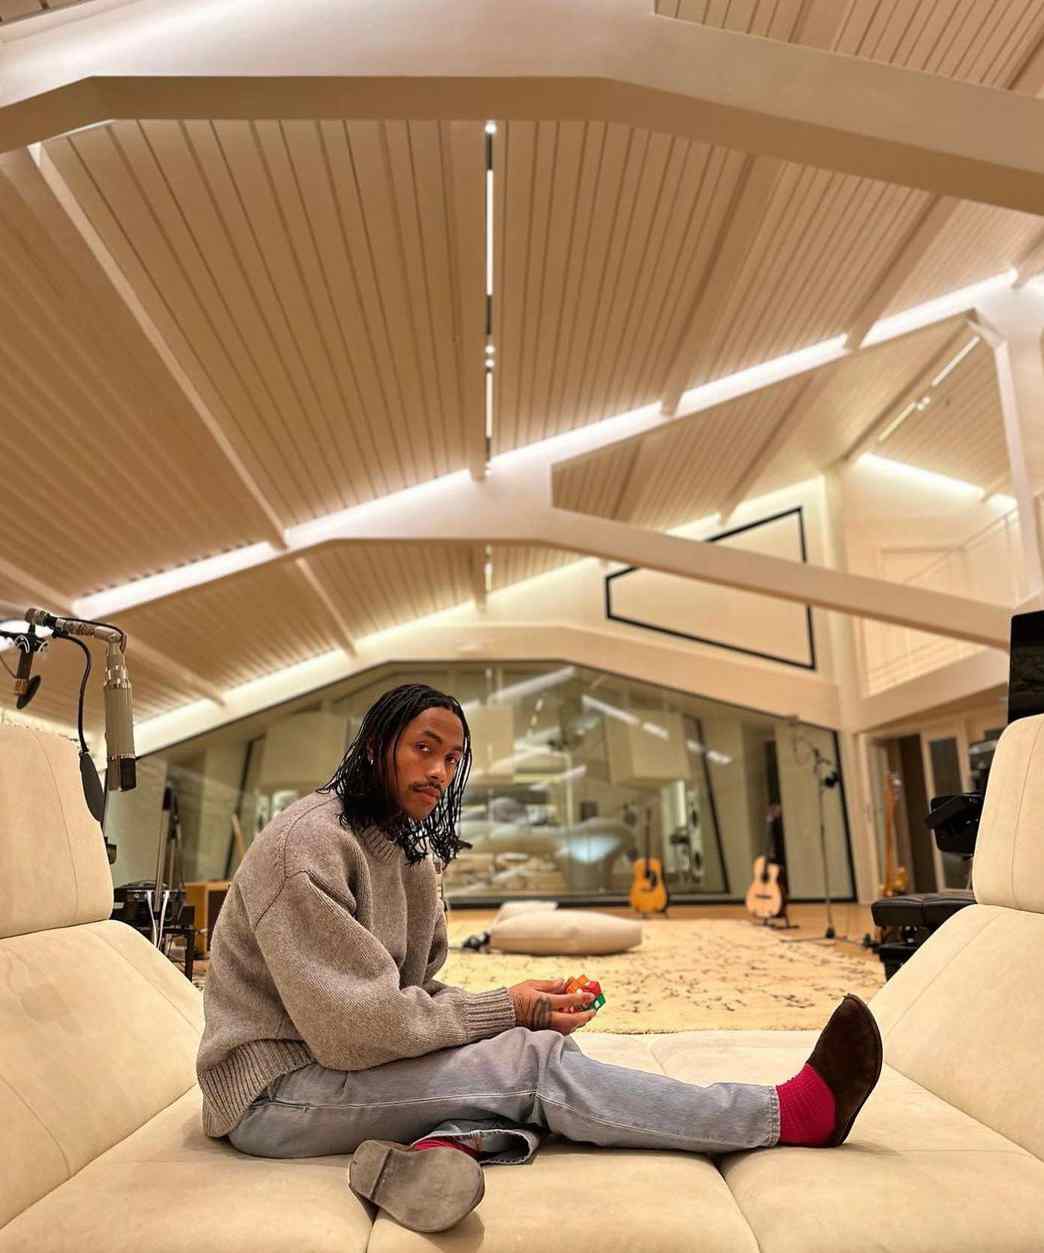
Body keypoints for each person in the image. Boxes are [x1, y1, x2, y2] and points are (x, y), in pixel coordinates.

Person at [197, 683, 882, 1234]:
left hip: (336, 1062)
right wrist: (508, 1010)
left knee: (531, 1045)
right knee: (531, 1066)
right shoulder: (307, 845)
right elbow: (357, 1030)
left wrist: (523, 1006)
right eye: (423, 749)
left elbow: (413, 992)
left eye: (452, 758)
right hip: (277, 1093)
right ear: (377, 747)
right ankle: (787, 1113)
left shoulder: (404, 847)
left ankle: (439, 1147)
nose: (438, 772)